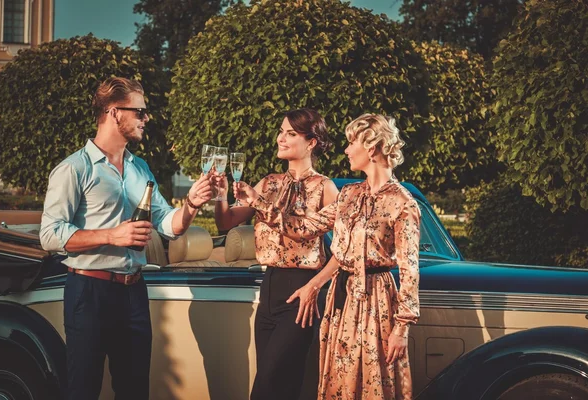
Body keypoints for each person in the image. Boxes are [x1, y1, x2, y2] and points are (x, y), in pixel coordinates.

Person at [39, 77, 213, 400]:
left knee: (134, 392)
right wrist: (113, 235)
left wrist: (191, 204)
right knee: (83, 391)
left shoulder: (140, 169)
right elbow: (49, 234)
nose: (146, 119)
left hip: (134, 293)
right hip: (88, 293)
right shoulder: (74, 169)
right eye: (140, 112)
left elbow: (167, 224)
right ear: (114, 112)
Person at [236, 113, 420, 400]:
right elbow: (305, 228)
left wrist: (402, 327)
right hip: (340, 300)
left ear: (371, 148)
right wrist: (258, 203)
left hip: (376, 300)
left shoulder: (402, 202)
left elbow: (410, 270)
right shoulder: (349, 194)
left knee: (371, 381)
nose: (345, 150)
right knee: (338, 382)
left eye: (351, 143)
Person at [214, 108, 339, 400]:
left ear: (311, 142)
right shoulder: (269, 183)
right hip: (268, 289)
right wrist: (221, 194)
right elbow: (226, 222)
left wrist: (315, 286)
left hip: (302, 293)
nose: (280, 138)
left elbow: (343, 250)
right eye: (281, 131)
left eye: (290, 133)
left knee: (268, 385)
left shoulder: (325, 187)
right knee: (281, 386)